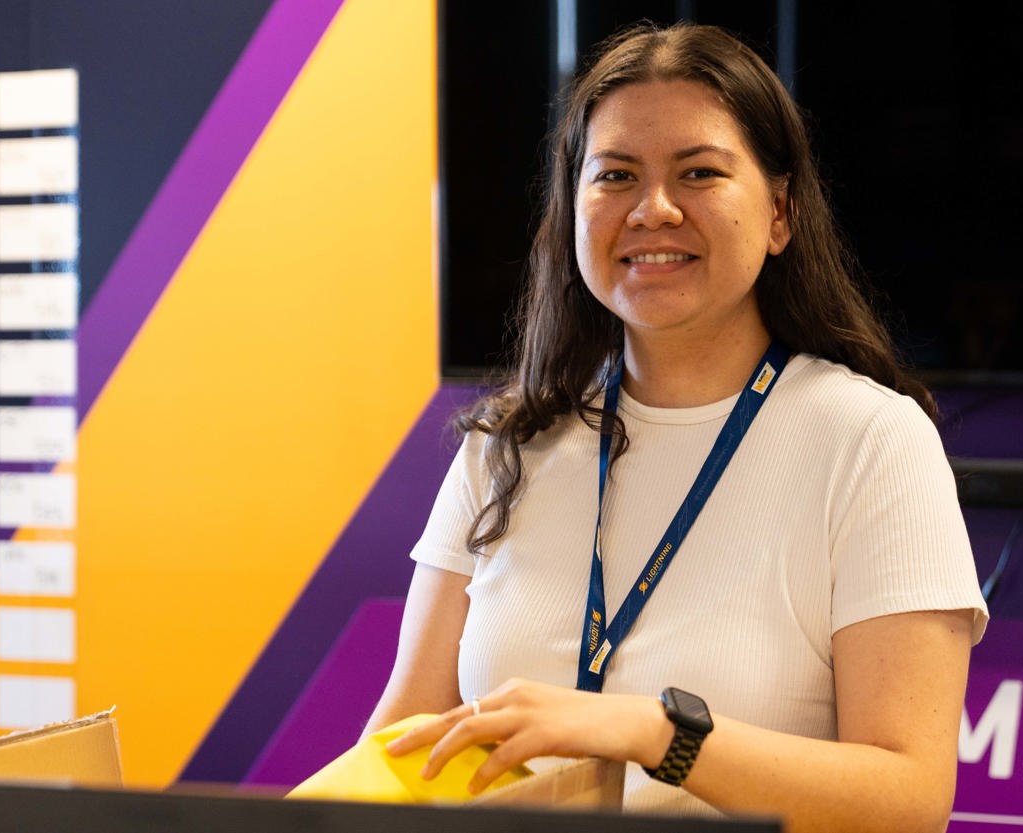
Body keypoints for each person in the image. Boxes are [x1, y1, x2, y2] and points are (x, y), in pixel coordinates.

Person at [366, 20, 988, 831]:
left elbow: (906, 801)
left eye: (699, 172)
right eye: (615, 175)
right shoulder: (506, 443)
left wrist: (655, 733)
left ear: (779, 213)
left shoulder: (872, 441)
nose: (653, 209)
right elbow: (400, 744)